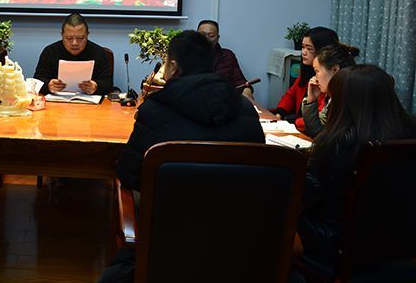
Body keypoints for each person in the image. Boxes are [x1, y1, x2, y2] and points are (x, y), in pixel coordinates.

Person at [100, 30, 265, 283]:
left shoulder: (155, 109)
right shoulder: (244, 108)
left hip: (168, 241)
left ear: (173, 67)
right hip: (239, 241)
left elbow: (128, 175)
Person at [297, 65, 416, 270]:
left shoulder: (336, 143)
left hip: (334, 244)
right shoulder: (408, 136)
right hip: (398, 245)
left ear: (343, 103)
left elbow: (307, 197)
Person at [273, 26, 339, 130]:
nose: (303, 52)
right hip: (299, 125)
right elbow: (290, 95)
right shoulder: (307, 71)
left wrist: (293, 123)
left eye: (309, 48)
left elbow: (319, 120)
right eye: (303, 47)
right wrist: (279, 114)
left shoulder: (328, 80)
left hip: (305, 128)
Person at [33, 13, 113, 95]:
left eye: (80, 38)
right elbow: (37, 81)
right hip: (57, 100)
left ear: (87, 35)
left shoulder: (99, 53)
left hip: (90, 101)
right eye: (69, 38)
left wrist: (96, 87)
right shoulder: (50, 52)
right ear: (62, 35)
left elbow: (108, 83)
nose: (75, 43)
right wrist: (48, 86)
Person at [300, 43, 359, 138]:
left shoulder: (349, 99)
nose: (315, 77)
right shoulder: (332, 96)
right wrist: (311, 100)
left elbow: (329, 139)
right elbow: (317, 132)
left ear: (334, 70)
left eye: (317, 71)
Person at [197, 19, 253, 98]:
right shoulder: (187, 56)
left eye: (211, 36)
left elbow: (241, 83)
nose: (206, 38)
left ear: (217, 38)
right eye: (202, 35)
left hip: (224, 101)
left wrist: (247, 91)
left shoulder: (227, 56)